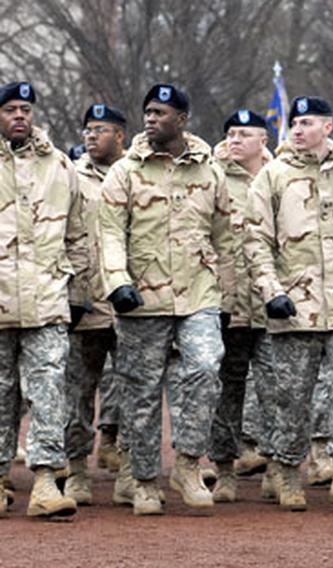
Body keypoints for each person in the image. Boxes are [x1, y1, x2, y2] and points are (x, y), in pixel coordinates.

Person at [98, 83, 236, 515]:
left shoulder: (208, 170)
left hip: (198, 294)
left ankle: (189, 464)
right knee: (139, 392)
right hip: (141, 298)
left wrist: (226, 296)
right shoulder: (126, 170)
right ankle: (142, 481)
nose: (151, 119)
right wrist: (117, 281)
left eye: (160, 112)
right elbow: (108, 231)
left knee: (205, 366)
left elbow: (226, 236)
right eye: (148, 112)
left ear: (182, 119)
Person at [246, 95, 333, 510]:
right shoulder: (272, 176)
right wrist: (272, 292)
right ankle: (286, 473)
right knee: (291, 395)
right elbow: (255, 239)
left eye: (307, 123)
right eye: (295, 123)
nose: (299, 130)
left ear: (329, 127)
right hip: (295, 307)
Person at [0, 81, 88, 518]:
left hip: (46, 300)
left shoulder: (57, 165)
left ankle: (45, 483)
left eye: (26, 109)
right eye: (11, 109)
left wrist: (73, 286)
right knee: (0, 394)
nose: (19, 116)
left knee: (49, 391)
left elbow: (79, 232)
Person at [208, 109, 274, 502]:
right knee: (226, 390)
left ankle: (278, 467)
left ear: (262, 140)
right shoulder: (212, 176)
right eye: (230, 133)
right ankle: (225, 469)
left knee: (277, 390)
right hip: (227, 302)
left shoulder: (281, 174)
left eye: (243, 134)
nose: (234, 140)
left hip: (271, 304)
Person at [63, 103, 128, 506]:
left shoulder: (135, 172)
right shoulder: (69, 174)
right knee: (78, 390)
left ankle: (130, 465)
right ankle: (75, 471)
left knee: (135, 386)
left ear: (120, 135)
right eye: (87, 129)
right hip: (83, 299)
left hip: (128, 301)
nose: (90, 135)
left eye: (100, 129)